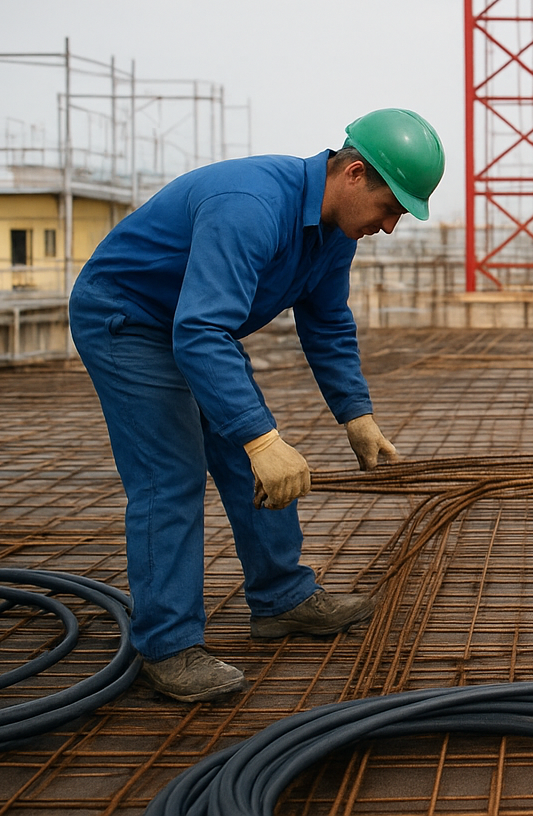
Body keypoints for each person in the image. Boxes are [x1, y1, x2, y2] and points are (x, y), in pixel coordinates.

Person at [68, 108, 445, 702]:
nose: (391, 225)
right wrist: (262, 439)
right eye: (390, 207)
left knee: (254, 456)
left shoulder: (334, 233)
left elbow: (326, 321)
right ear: (353, 175)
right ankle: (167, 645)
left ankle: (281, 599)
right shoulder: (251, 205)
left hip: (195, 325)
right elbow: (199, 330)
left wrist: (357, 415)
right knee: (172, 474)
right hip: (128, 318)